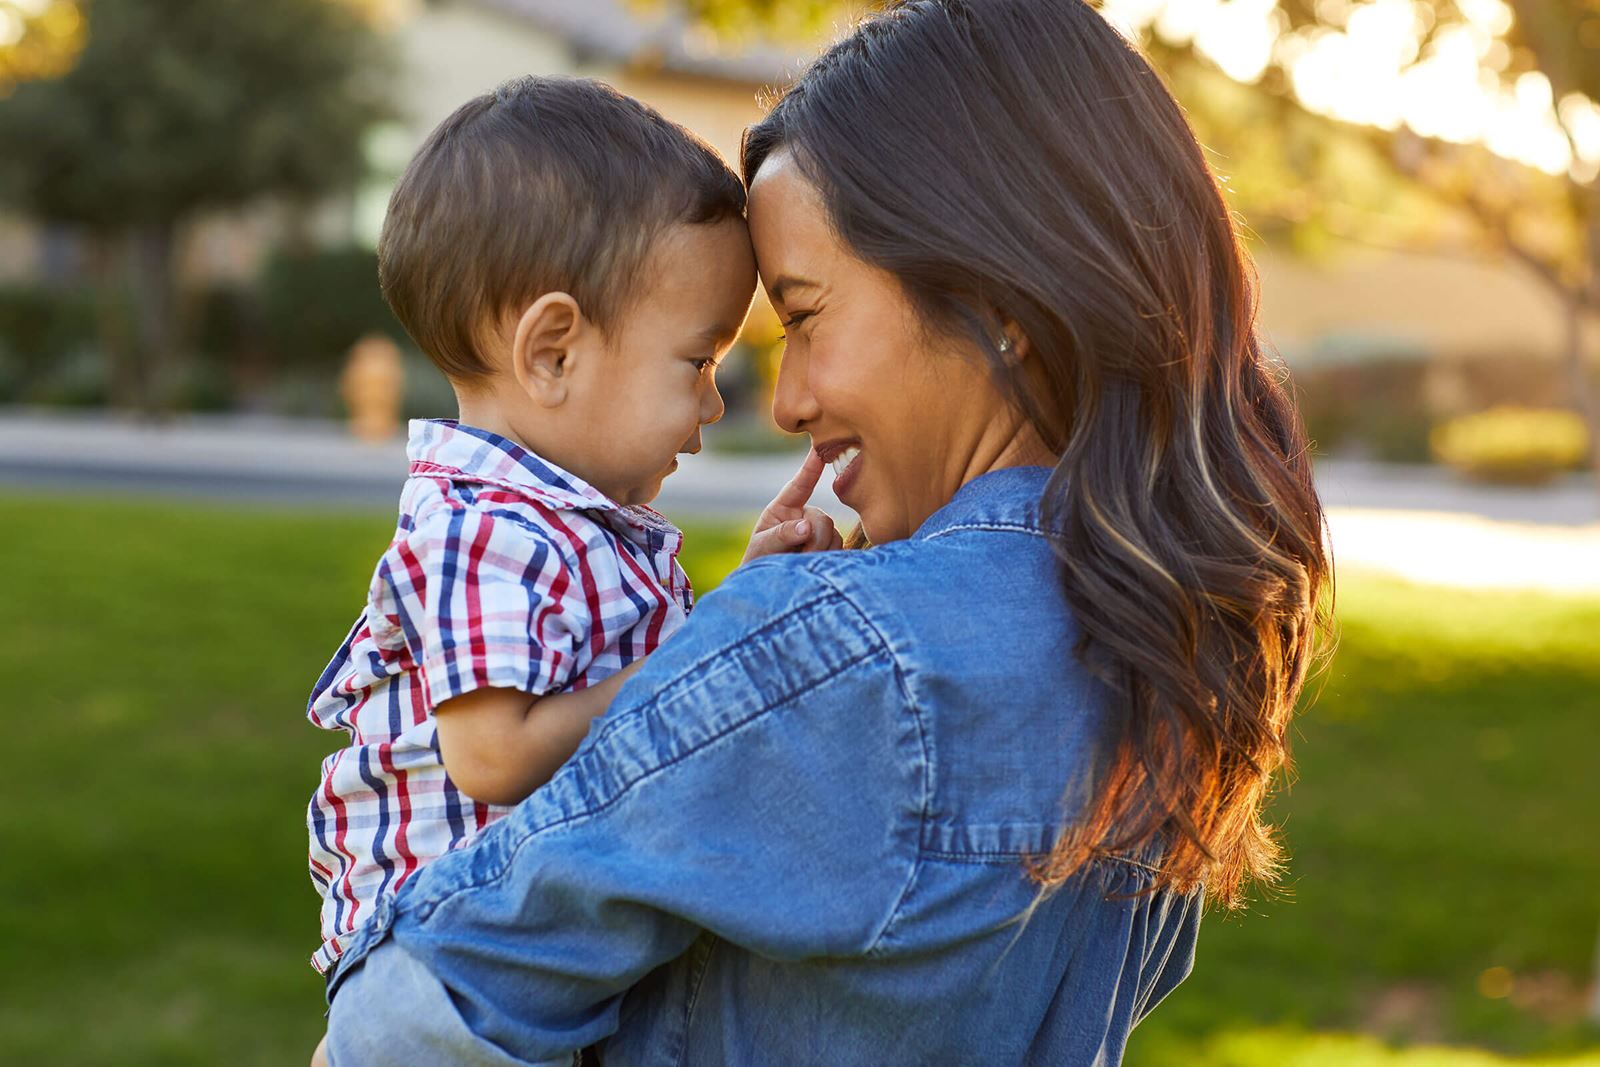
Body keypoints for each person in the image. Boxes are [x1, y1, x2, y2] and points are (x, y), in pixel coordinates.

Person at [320, 2, 1331, 1064]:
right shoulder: (1168, 644)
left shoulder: (845, 660)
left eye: (802, 316)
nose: (785, 398)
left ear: (995, 300)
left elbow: (406, 1031)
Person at [304, 76, 839, 1061]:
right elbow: (494, 754)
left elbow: (619, 696)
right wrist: (688, 667)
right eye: (696, 362)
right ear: (552, 350)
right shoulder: (477, 528)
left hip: (525, 969)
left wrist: (742, 594)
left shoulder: (578, 525)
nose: (715, 406)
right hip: (446, 978)